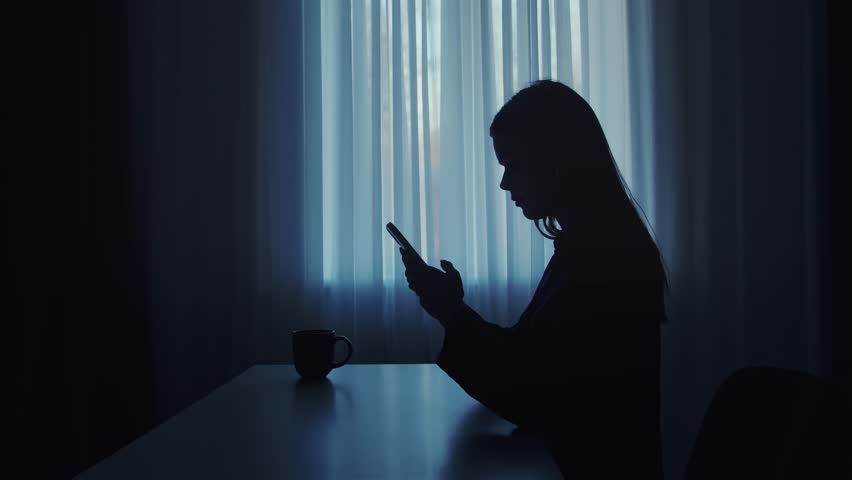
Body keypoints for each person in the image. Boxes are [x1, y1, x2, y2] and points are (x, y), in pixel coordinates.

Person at [400, 79, 669, 479]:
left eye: (513, 164)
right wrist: (451, 312)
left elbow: (529, 390)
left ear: (555, 161)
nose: (506, 183)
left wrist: (452, 315)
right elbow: (532, 362)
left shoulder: (602, 260)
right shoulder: (591, 246)